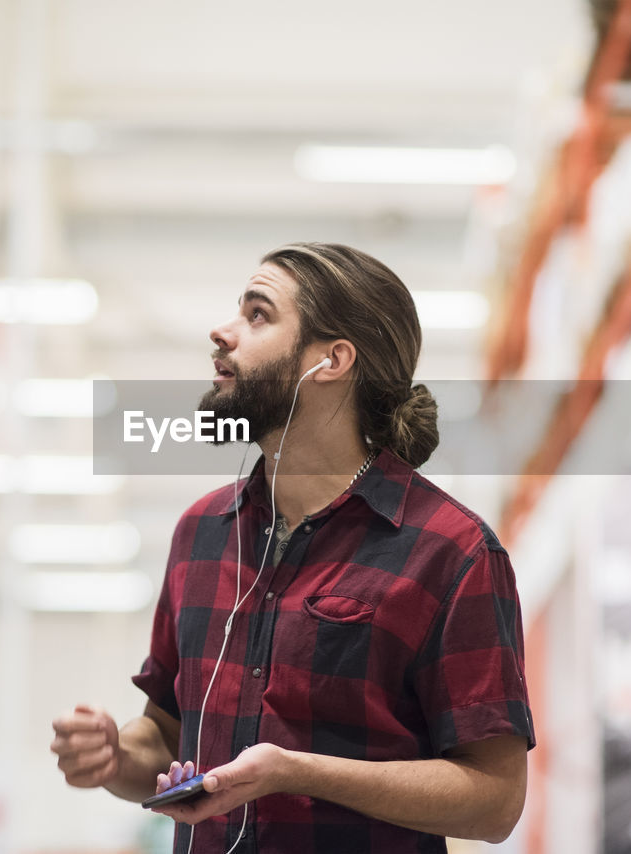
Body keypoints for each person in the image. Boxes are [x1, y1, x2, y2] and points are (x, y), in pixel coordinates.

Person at [50, 243, 535, 853]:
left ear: (331, 360)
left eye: (257, 315)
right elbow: (168, 738)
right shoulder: (202, 534)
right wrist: (115, 755)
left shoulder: (451, 553)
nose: (221, 332)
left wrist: (295, 772)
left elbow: (494, 801)